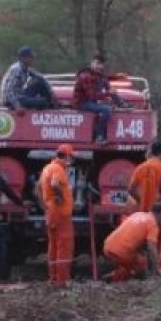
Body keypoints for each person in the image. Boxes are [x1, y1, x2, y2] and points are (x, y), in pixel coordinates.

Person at [103, 203, 161, 282]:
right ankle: (117, 280)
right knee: (141, 264)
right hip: (122, 251)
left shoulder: (138, 214)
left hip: (108, 246)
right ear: (160, 214)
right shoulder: (152, 224)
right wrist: (157, 269)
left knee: (131, 264)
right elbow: (152, 248)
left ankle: (113, 277)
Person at [38, 144, 75, 285]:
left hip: (51, 213)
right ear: (66, 156)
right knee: (64, 246)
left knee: (53, 246)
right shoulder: (58, 169)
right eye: (71, 156)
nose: (71, 159)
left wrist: (44, 205)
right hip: (61, 214)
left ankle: (53, 277)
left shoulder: (47, 168)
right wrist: (61, 198)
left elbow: (38, 187)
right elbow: (54, 184)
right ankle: (62, 280)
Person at [73, 52, 114, 143]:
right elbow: (91, 95)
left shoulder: (98, 76)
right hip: (82, 103)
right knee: (106, 109)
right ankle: (98, 135)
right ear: (92, 63)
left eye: (101, 64)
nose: (99, 66)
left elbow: (104, 89)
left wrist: (111, 96)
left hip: (90, 102)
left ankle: (102, 134)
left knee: (108, 106)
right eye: (97, 63)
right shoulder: (86, 76)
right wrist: (107, 94)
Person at [128, 141, 161, 212]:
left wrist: (141, 201)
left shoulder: (140, 168)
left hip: (144, 210)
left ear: (151, 151)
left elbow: (131, 190)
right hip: (159, 212)